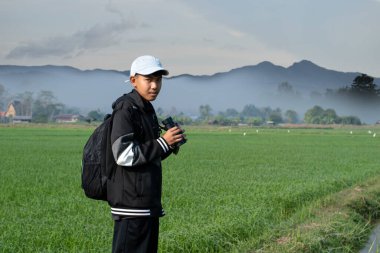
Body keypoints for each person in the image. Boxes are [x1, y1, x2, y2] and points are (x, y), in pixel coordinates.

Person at [107, 55, 185, 253]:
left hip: (146, 205)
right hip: (132, 207)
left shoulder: (146, 109)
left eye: (158, 80)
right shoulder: (126, 108)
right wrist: (162, 142)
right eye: (148, 79)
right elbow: (124, 155)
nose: (154, 86)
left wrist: (169, 144)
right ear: (134, 80)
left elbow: (148, 157)